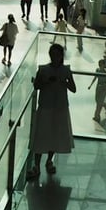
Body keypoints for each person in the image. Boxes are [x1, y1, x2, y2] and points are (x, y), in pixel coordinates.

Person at [29, 44, 76, 177]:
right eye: (53, 54)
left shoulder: (65, 71)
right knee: (42, 135)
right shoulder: (43, 70)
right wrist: (47, 82)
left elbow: (73, 88)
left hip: (58, 107)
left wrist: (63, 82)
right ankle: (38, 164)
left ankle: (48, 160)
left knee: (54, 135)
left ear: (61, 56)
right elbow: (36, 85)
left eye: (57, 55)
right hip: (47, 106)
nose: (55, 57)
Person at [91, 57, 106, 122]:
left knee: (99, 102)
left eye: (101, 64)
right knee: (97, 100)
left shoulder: (105, 71)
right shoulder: (97, 70)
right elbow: (95, 77)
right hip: (98, 86)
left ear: (104, 64)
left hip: (104, 87)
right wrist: (91, 85)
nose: (100, 65)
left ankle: (97, 116)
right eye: (99, 64)